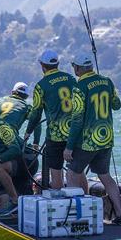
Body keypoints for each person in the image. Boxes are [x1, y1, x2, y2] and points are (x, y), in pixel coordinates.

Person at [63, 53, 121, 225]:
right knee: (105, 175)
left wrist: (69, 147)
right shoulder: (107, 81)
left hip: (87, 141)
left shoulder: (79, 87)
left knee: (72, 174)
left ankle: (77, 218)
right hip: (106, 138)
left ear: (77, 68)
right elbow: (117, 105)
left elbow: (77, 120)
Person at [24, 50, 77, 190]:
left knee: (56, 172)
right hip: (75, 132)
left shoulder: (41, 86)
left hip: (55, 135)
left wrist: (28, 132)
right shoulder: (71, 78)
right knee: (77, 170)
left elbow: (36, 113)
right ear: (57, 64)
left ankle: (59, 202)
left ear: (42, 65)